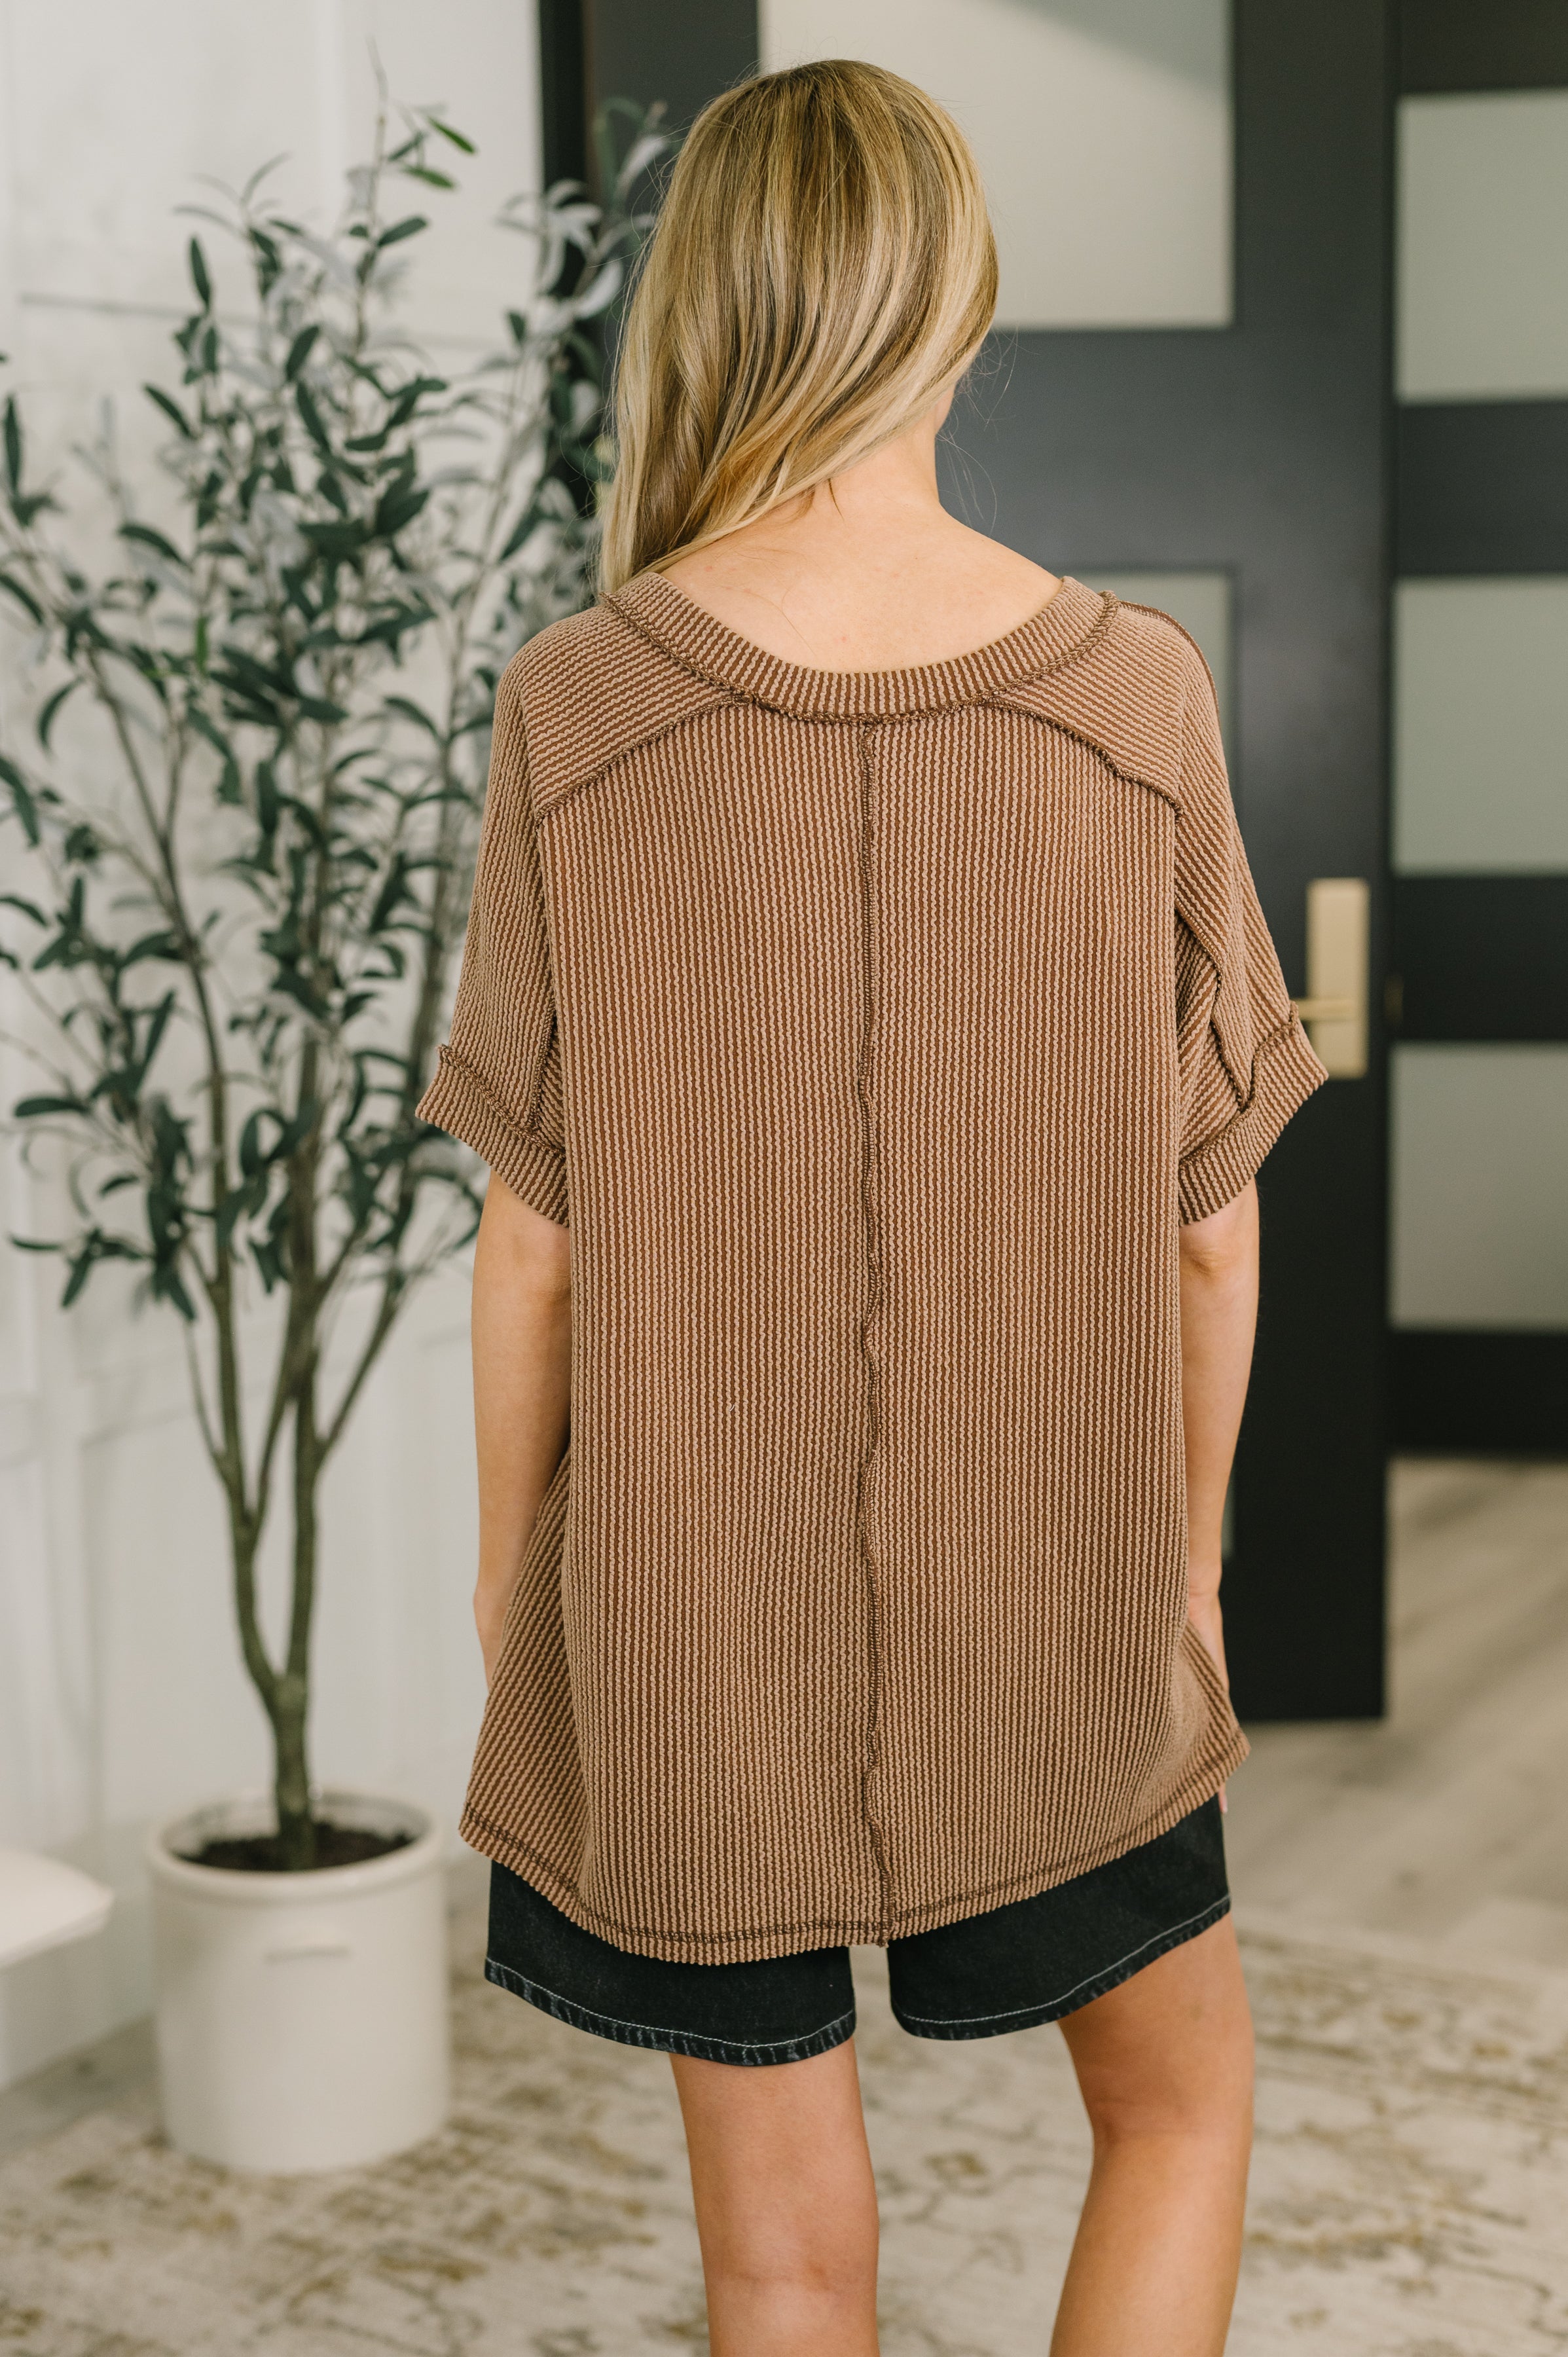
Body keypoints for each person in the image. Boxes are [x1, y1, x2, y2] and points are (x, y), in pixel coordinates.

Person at [416, 57, 1326, 2357]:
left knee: (787, 2258)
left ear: (702, 313)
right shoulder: (1134, 698)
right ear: (962, 305)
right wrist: (1188, 1567)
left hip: (692, 1620)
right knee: (1183, 2118)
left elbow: (531, 1248)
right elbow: (1209, 1231)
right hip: (1066, 1589)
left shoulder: (578, 707)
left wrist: (528, 1602)